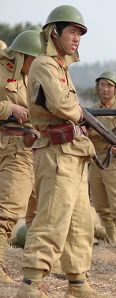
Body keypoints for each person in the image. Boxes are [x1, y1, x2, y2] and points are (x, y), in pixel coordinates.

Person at [14, 5, 108, 298]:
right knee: (52, 219)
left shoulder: (61, 67)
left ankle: (77, 282)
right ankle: (30, 286)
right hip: (55, 153)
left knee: (81, 222)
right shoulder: (43, 64)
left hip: (72, 153)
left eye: (80, 34)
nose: (77, 38)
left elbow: (71, 108)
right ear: (54, 33)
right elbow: (63, 106)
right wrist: (82, 112)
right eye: (72, 32)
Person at [0, 30, 41, 283]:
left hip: (28, 148)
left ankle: (38, 266)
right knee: (8, 211)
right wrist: (9, 108)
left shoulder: (29, 77)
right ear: (24, 55)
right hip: (10, 149)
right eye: (35, 61)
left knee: (39, 211)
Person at [88, 71, 116, 243]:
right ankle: (112, 242)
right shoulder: (92, 110)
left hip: (114, 161)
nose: (105, 89)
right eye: (102, 85)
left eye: (109, 85)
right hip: (96, 161)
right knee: (101, 207)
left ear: (115, 89)